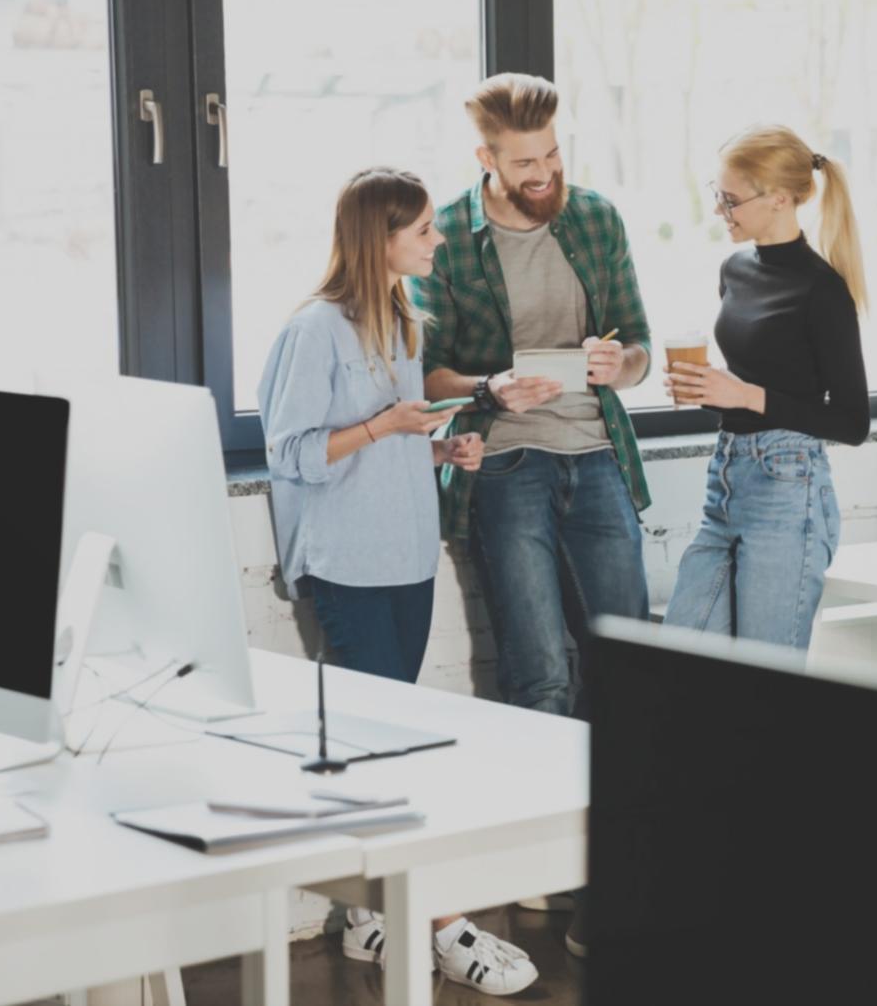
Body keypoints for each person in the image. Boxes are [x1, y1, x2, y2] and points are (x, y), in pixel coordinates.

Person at [258, 166, 537, 996]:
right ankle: (439, 921)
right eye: (422, 231)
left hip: (408, 557)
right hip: (346, 562)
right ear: (378, 238)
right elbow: (291, 453)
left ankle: (372, 921)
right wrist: (384, 424)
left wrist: (441, 448)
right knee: (381, 751)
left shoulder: (408, 323)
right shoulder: (313, 330)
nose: (437, 239)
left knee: (386, 745)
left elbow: (389, 443)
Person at [411, 72, 654, 960]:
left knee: (624, 667)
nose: (545, 172)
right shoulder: (446, 238)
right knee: (540, 674)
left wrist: (612, 362)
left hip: (596, 461)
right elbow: (424, 372)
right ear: (486, 160)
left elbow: (639, 350)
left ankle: (615, 883)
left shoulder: (593, 218)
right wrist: (488, 386)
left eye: (553, 153)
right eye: (525, 161)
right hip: (505, 465)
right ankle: (547, 868)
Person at [662, 125, 870, 650]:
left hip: (789, 488)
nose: (720, 212)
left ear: (779, 199)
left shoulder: (822, 291)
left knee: (765, 685)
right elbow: (755, 374)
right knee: (677, 656)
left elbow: (852, 422)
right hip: (727, 477)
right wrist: (707, 389)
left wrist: (746, 396)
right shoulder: (734, 268)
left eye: (731, 201)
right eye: (718, 196)